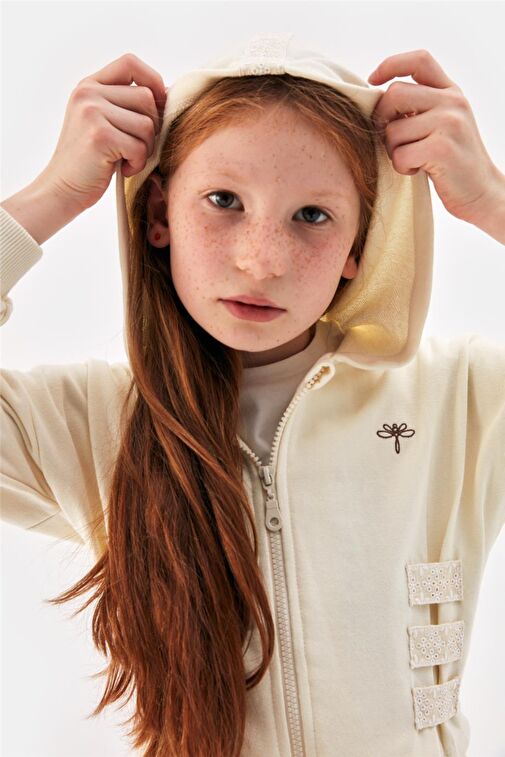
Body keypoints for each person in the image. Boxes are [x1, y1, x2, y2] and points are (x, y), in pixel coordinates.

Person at [1, 31, 504, 757]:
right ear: (158, 217)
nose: (261, 261)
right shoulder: (93, 421)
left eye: (312, 215)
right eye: (224, 200)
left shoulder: (459, 401)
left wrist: (491, 200)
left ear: (359, 247)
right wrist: (49, 196)